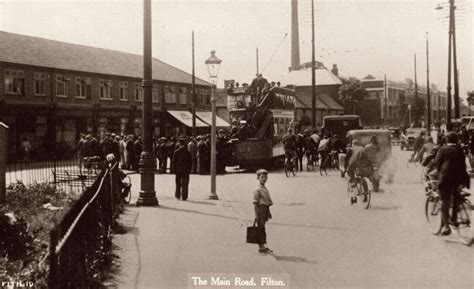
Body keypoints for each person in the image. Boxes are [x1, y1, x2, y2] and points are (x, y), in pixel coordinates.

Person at [434, 132, 470, 236]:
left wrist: (439, 173)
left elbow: (437, 164)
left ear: (447, 140)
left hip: (445, 179)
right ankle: (454, 218)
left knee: (444, 201)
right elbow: (463, 166)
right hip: (458, 179)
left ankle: (446, 227)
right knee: (455, 197)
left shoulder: (443, 149)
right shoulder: (460, 150)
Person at [252, 169, 273, 254]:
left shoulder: (264, 188)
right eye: (262, 177)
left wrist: (269, 212)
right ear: (258, 178)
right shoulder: (257, 190)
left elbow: (267, 202)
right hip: (260, 210)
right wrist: (256, 215)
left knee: (262, 227)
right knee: (261, 228)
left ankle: (263, 245)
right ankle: (261, 247)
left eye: (265, 177)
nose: (264, 179)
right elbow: (255, 203)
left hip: (265, 209)